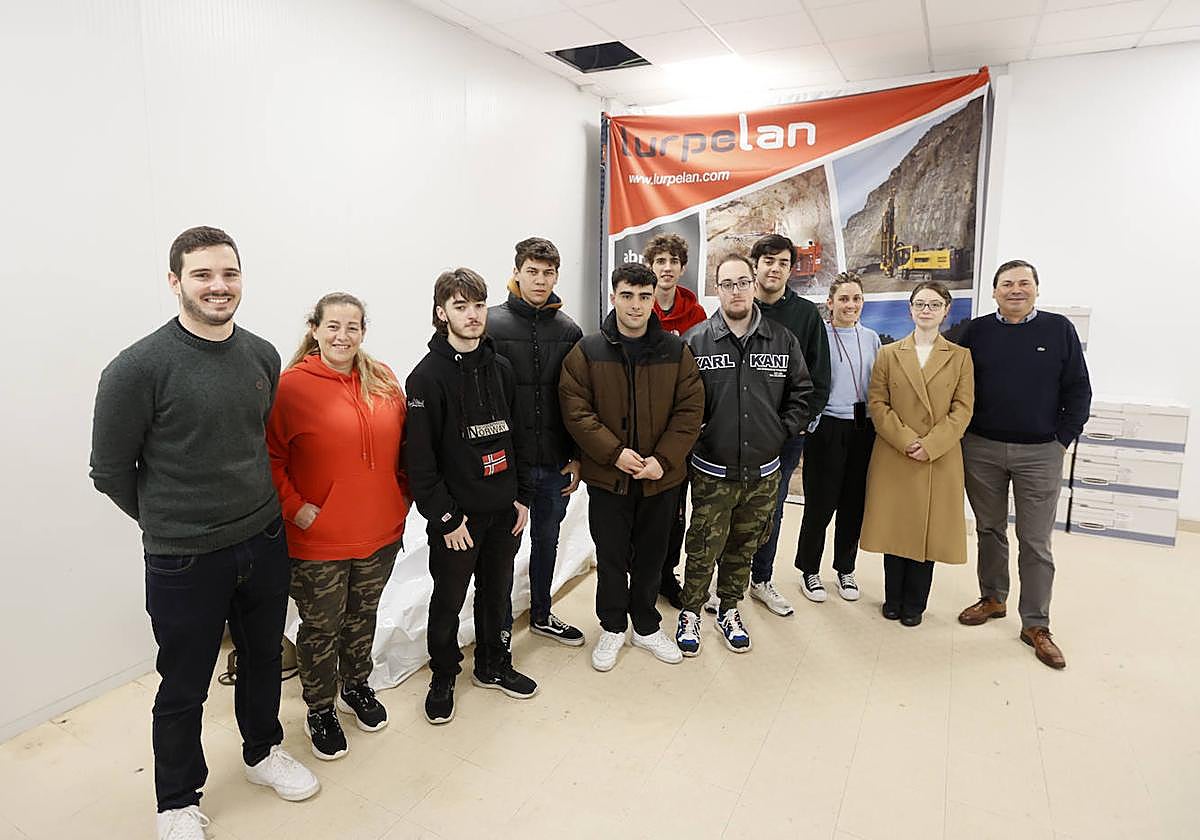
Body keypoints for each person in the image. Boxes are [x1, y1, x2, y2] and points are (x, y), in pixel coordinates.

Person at [90, 226, 319, 840]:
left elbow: (255, 442)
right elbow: (110, 472)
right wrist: (170, 519)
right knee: (184, 681)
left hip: (263, 540)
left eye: (230, 273)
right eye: (202, 275)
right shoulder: (137, 369)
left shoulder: (262, 354)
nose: (219, 286)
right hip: (184, 557)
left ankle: (262, 751)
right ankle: (176, 799)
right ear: (175, 282)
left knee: (264, 656)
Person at [266, 292, 410, 761]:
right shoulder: (290, 387)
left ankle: (357, 686)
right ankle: (319, 707)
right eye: (333, 326)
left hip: (380, 532)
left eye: (352, 327)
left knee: (361, 617)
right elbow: (270, 458)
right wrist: (296, 508)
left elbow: (407, 447)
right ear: (314, 328)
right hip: (317, 539)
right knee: (320, 626)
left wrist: (403, 497)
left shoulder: (383, 378)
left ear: (363, 332)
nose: (342, 336)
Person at [406, 268, 536, 725]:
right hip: (457, 521)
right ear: (441, 313)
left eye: (478, 305)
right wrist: (445, 519)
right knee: (448, 600)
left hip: (503, 513)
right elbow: (419, 463)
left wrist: (520, 497)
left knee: (496, 593)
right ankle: (443, 675)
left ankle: (491, 664)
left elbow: (517, 438)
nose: (473, 315)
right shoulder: (426, 378)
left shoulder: (499, 368)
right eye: (460, 306)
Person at [560, 263, 704, 672]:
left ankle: (645, 624)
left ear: (653, 298)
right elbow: (576, 410)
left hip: (662, 479)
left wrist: (663, 459)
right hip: (610, 477)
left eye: (644, 296)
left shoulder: (676, 351)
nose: (636, 305)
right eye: (627, 295)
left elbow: (690, 410)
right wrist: (614, 452)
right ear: (613, 297)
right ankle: (612, 625)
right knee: (610, 554)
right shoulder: (587, 352)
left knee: (653, 556)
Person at [953, 260, 1091, 669]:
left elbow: (1079, 389)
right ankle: (993, 598)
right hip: (982, 448)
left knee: (1035, 540)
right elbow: (947, 373)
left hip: (1040, 452)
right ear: (994, 291)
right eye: (1007, 284)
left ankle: (1035, 623)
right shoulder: (975, 332)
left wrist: (1062, 440)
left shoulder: (1058, 329)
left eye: (1024, 283)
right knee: (989, 529)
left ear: (1036, 289)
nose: (1016, 290)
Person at [676, 254, 812, 655]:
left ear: (754, 285)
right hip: (711, 471)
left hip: (763, 472)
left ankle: (730, 608)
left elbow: (802, 394)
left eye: (742, 282)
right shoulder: (695, 341)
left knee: (743, 547)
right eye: (726, 284)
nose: (735, 291)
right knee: (703, 546)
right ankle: (691, 611)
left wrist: (779, 432)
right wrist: (699, 435)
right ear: (716, 290)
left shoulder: (782, 339)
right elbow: (680, 404)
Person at [488, 237, 585, 648]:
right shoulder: (491, 325)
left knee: (547, 540)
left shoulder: (569, 330)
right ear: (516, 272)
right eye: (533, 271)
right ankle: (501, 625)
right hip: (507, 466)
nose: (541, 280)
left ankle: (543, 613)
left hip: (554, 463)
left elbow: (579, 399)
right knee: (504, 550)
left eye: (548, 273)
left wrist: (577, 456)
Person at [860, 281, 974, 626]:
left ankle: (915, 604)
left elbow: (963, 409)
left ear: (945, 311)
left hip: (939, 458)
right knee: (895, 530)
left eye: (934, 304)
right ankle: (892, 598)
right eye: (920, 304)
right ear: (910, 310)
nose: (926, 310)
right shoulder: (889, 354)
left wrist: (931, 444)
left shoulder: (960, 357)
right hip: (896, 453)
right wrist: (907, 440)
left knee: (929, 533)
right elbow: (877, 403)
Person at [748, 234, 831, 615]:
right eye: (768, 260)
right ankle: (725, 580)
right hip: (735, 432)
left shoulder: (806, 315)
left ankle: (761, 579)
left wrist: (795, 425)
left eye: (783, 262)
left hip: (784, 434)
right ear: (755, 265)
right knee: (728, 508)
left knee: (772, 508)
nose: (774, 268)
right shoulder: (738, 306)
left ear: (790, 269)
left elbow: (818, 378)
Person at [794, 273, 880, 604]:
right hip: (827, 425)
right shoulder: (820, 336)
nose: (850, 305)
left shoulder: (872, 338)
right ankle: (809, 569)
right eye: (843, 298)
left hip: (863, 428)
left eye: (856, 298)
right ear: (830, 303)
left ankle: (845, 568)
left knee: (853, 504)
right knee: (820, 504)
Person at [643, 233, 708, 608]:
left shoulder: (696, 315)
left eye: (673, 262)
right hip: (642, 426)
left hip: (680, 430)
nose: (666, 269)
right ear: (651, 267)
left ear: (682, 268)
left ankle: (667, 575)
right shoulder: (637, 307)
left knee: (675, 514)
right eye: (660, 262)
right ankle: (641, 576)